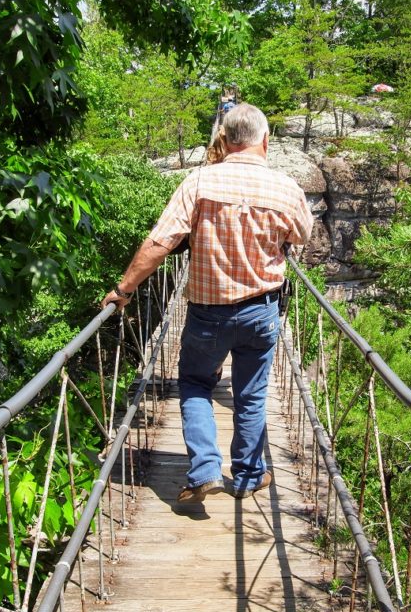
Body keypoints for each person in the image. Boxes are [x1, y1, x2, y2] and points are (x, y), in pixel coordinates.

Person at [101, 103, 313, 503]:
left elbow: (161, 242)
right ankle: (250, 475)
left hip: (207, 313)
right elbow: (300, 236)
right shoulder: (286, 188)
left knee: (196, 384)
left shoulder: (199, 182)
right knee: (251, 393)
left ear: (225, 139)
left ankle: (204, 473)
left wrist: (124, 289)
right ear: (265, 140)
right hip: (262, 310)